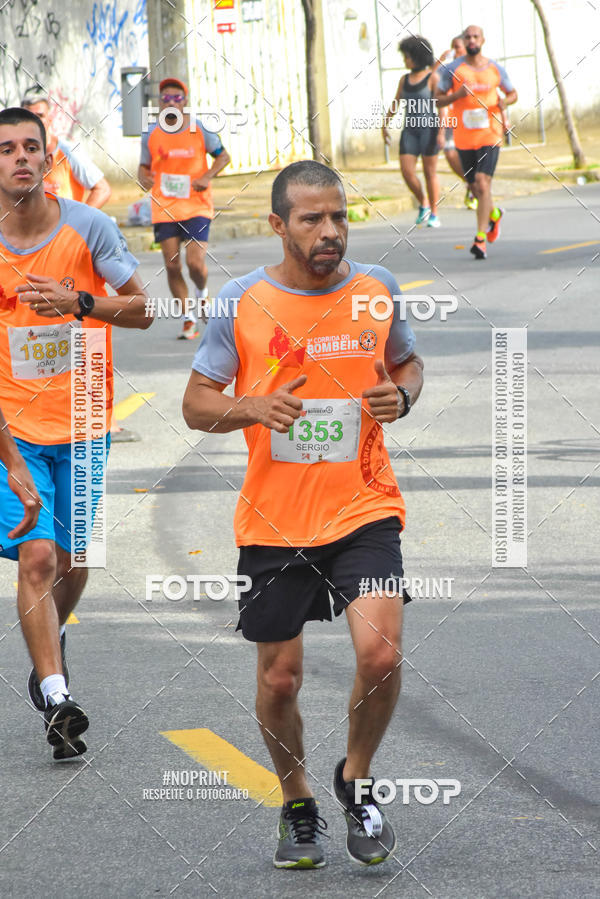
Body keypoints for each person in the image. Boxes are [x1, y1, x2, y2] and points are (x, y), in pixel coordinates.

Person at [182, 160, 424, 869]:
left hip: (364, 503)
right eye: (312, 219)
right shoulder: (241, 300)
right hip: (275, 520)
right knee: (279, 678)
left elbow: (408, 364)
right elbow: (196, 403)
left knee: (380, 652)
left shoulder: (377, 290)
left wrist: (402, 396)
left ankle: (357, 773)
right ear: (279, 225)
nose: (330, 231)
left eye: (339, 216)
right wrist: (251, 405)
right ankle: (298, 800)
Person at [0, 107, 151, 760]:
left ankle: (48, 646)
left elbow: (145, 310)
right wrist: (9, 459)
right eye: (5, 149)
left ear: (49, 156)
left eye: (31, 147)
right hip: (16, 428)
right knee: (37, 558)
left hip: (86, 418)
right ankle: (58, 695)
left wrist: (82, 303)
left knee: (73, 559)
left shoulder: (89, 228)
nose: (20, 158)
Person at [138, 77, 231, 339]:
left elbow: (223, 156)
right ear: (159, 103)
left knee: (195, 263)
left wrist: (206, 177)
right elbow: (143, 166)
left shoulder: (200, 129)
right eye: (165, 98)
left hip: (196, 205)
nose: (170, 102)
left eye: (176, 98)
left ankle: (201, 295)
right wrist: (142, 176)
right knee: (172, 265)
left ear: (185, 102)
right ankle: (188, 318)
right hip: (164, 206)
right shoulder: (150, 133)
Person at [435, 25, 517, 259]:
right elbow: (437, 101)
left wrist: (505, 103)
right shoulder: (452, 69)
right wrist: (456, 96)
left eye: (475, 36)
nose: (471, 40)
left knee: (482, 183)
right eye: (467, 37)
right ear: (463, 41)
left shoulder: (495, 69)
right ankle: (494, 215)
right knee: (475, 187)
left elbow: (513, 93)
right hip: (464, 138)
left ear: (482, 39)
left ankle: (480, 239)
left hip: (490, 134)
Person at [383, 35, 442, 228]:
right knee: (407, 171)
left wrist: (441, 132)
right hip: (410, 130)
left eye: (407, 56)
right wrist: (385, 123)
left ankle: (434, 213)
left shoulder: (432, 78)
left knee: (429, 172)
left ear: (417, 56)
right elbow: (396, 102)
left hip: (429, 129)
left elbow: (442, 107)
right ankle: (423, 202)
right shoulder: (404, 79)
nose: (404, 60)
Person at [21, 96, 112, 208]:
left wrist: (78, 221)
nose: (35, 121)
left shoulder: (69, 152)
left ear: (50, 119)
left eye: (40, 116)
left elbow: (102, 189)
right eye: (29, 117)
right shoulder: (14, 156)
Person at [433, 34, 477, 210]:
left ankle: (475, 187)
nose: (454, 50)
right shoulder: (447, 68)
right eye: (452, 46)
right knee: (450, 154)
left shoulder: (473, 66)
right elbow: (431, 78)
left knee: (472, 155)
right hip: (451, 117)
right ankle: (471, 183)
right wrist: (440, 60)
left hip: (471, 118)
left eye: (457, 46)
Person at [0, 405, 42, 540]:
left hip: (84, 428)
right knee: (39, 550)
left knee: (70, 550)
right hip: (17, 427)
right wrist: (13, 462)